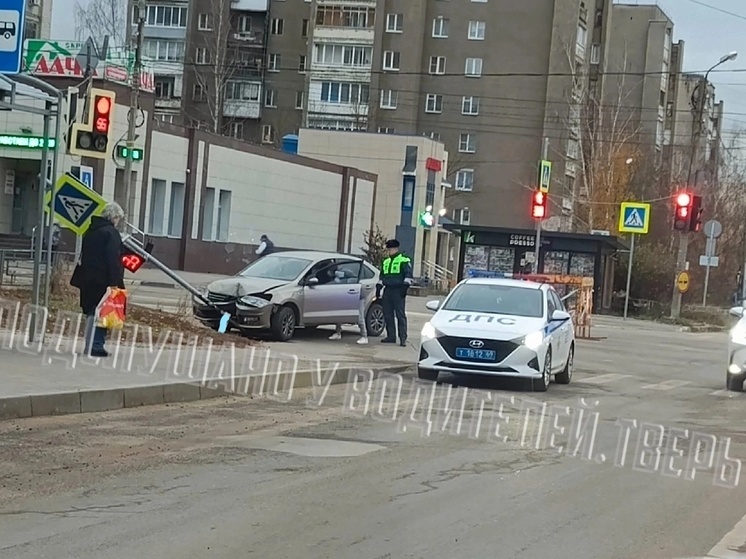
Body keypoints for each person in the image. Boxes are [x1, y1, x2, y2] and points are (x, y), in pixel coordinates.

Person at [73, 202, 126, 357]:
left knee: (91, 311)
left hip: (88, 278)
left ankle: (89, 345)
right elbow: (113, 259)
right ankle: (96, 346)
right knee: (104, 312)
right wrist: (114, 282)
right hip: (104, 280)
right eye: (118, 219)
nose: (118, 222)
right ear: (114, 217)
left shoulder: (90, 231)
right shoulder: (111, 233)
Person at [379, 239, 413, 346]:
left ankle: (403, 338)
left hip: (398, 290)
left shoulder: (404, 260)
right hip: (388, 290)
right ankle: (391, 336)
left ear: (395, 249)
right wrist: (378, 287)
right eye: (388, 249)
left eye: (390, 249)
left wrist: (404, 288)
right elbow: (382, 276)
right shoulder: (385, 261)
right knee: (387, 314)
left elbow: (408, 275)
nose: (389, 251)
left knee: (400, 315)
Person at [329, 269, 369, 345]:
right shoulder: (341, 279)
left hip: (358, 297)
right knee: (339, 314)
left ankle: (364, 336)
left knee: (360, 317)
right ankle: (338, 332)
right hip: (346, 296)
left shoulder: (353, 280)